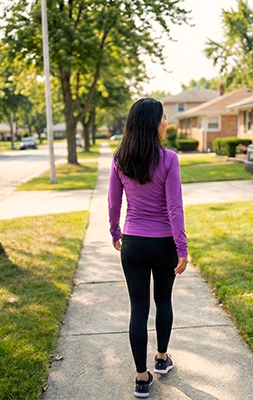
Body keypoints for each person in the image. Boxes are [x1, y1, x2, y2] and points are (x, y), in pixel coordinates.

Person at [108, 98, 188, 398]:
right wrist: (182, 247)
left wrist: (115, 231)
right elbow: (174, 208)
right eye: (164, 118)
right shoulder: (169, 159)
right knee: (163, 301)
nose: (167, 122)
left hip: (133, 244)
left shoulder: (120, 159)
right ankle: (162, 359)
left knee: (138, 310)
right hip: (163, 243)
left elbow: (114, 202)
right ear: (154, 124)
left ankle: (142, 378)